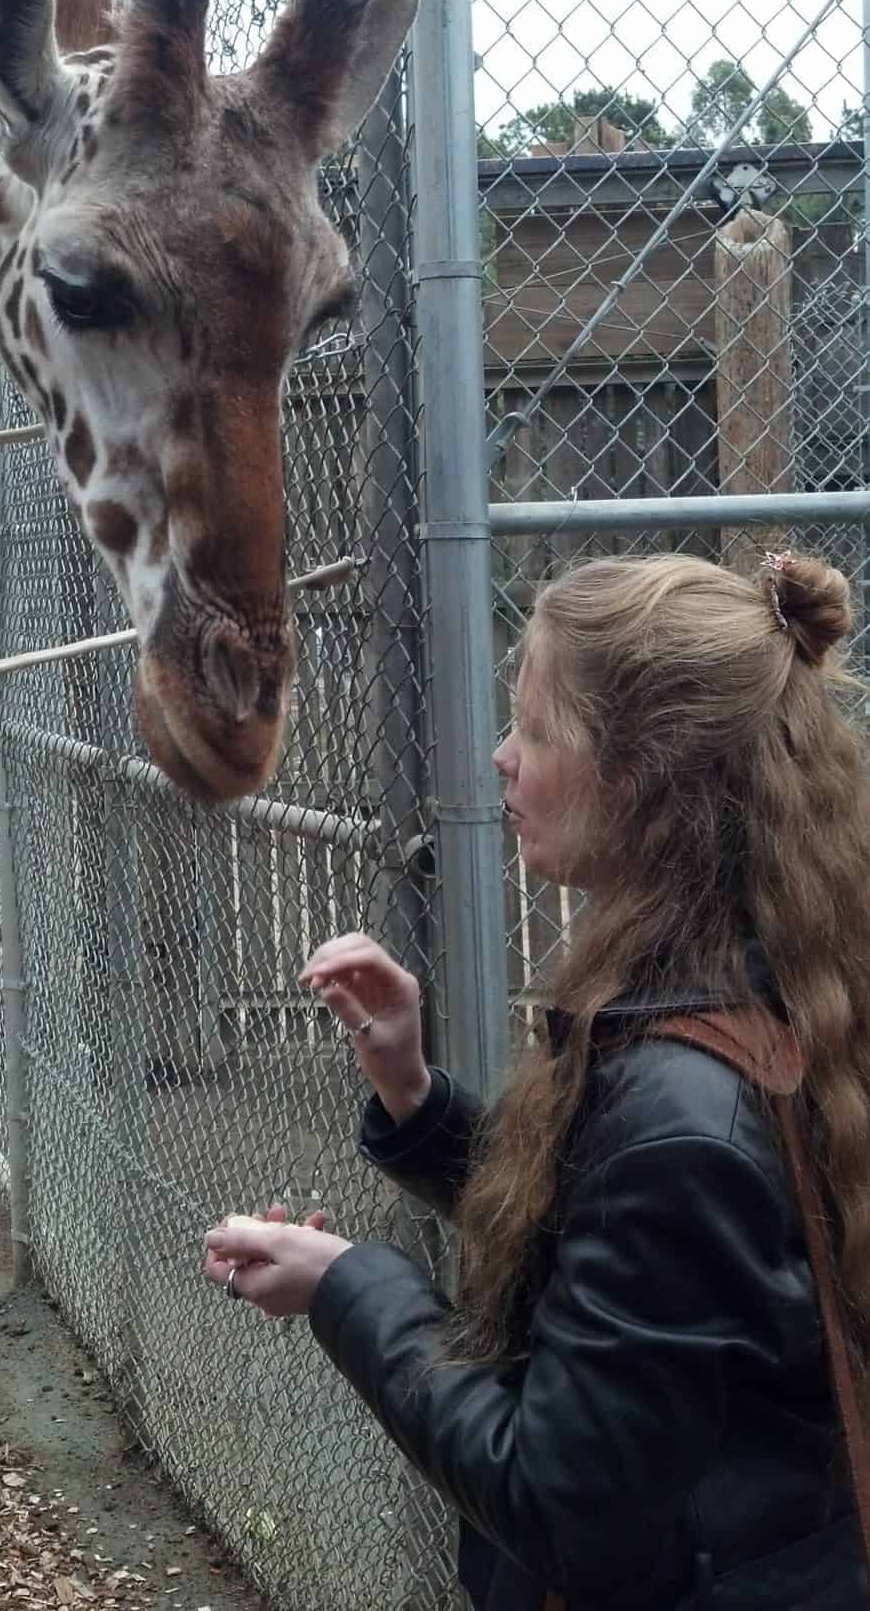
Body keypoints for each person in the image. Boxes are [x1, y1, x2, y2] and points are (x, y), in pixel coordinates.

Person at [203, 551, 870, 1609]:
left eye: (538, 729)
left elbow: (558, 1503)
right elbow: (624, 1245)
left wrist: (349, 1284)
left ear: (638, 775)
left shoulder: (682, 1109)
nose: (503, 757)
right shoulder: (776, 973)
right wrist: (418, 1100)